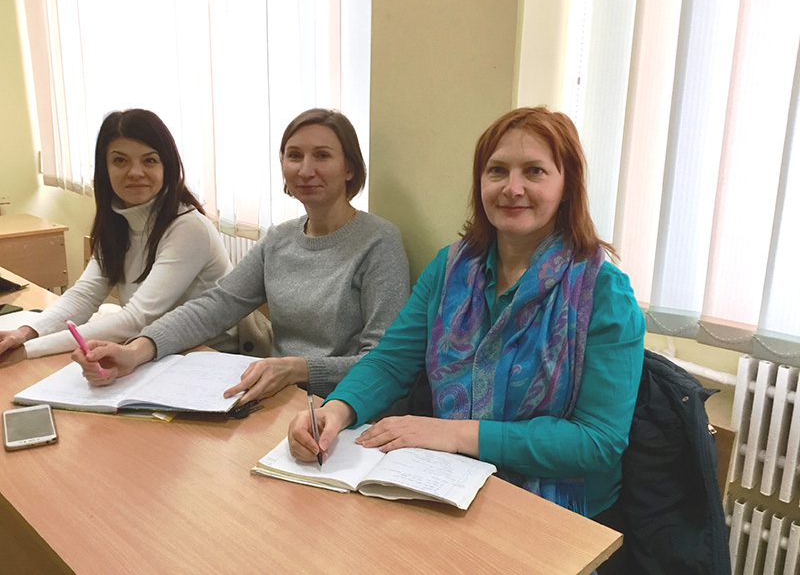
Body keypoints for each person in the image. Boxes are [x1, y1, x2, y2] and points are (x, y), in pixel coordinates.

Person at [288, 107, 645, 527]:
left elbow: (598, 441)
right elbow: (390, 361)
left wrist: (457, 434)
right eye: (497, 171)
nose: (512, 188)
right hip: (448, 481)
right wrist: (337, 410)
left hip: (557, 510)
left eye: (534, 172)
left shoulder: (605, 293)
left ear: (567, 187)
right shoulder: (449, 268)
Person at [72, 108, 411, 401]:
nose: (305, 170)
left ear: (349, 168)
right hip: (279, 397)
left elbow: (384, 360)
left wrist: (299, 369)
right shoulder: (278, 240)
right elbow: (215, 306)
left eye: (322, 156)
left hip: (348, 406)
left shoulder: (378, 241)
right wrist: (137, 350)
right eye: (294, 156)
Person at [0, 109, 236, 363]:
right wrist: (25, 333)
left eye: (149, 160)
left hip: (206, 358)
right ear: (105, 168)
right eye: (120, 161)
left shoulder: (188, 228)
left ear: (167, 167)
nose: (135, 172)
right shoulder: (118, 221)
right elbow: (84, 295)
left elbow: (138, 319)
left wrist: (29, 350)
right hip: (152, 350)